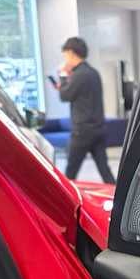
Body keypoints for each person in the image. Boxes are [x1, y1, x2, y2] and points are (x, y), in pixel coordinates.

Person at [51, 36, 113, 185]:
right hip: (98, 128)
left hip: (82, 131)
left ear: (72, 53)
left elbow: (65, 96)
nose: (65, 59)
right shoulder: (93, 73)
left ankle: (64, 197)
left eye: (66, 55)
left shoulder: (79, 75)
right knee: (105, 170)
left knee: (70, 172)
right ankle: (119, 196)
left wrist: (63, 76)